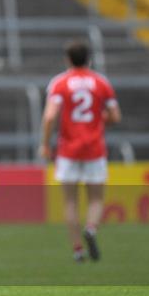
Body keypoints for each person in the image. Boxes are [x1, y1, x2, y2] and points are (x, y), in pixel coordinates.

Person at [39, 41, 121, 262]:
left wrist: (45, 144)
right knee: (95, 199)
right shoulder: (101, 82)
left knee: (70, 202)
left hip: (68, 150)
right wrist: (99, 118)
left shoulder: (60, 83)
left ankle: (77, 249)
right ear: (89, 59)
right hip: (94, 148)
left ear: (68, 60)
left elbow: (49, 117)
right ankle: (92, 228)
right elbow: (115, 116)